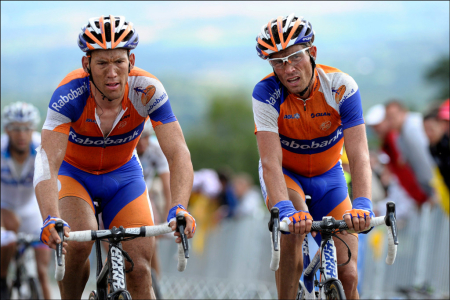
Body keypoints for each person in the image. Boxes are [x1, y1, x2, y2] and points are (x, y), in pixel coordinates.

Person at [34, 15, 195, 299]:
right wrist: (50, 217)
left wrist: (179, 206)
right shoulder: (69, 95)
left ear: (131, 61)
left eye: (118, 62)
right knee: (78, 244)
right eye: (102, 63)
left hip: (124, 176)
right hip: (74, 175)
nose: (112, 73)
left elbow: (178, 152)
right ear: (87, 65)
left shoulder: (147, 90)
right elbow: (47, 161)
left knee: (141, 269)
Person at [253, 14, 374, 299]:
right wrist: (284, 210)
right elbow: (270, 162)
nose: (288, 69)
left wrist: (363, 203)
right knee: (294, 228)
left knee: (349, 275)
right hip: (287, 176)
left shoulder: (340, 86)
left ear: (312, 53)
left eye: (295, 57)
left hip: (329, 178)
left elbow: (358, 154)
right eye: (277, 62)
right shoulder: (266, 92)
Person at [1, 102, 52, 299]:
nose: (21, 134)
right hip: (4, 210)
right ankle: (3, 282)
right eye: (15, 128)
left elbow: (53, 184)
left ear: (33, 129)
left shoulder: (42, 149)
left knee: (42, 273)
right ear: (7, 130)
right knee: (6, 244)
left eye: (26, 128)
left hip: (32, 212)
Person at [136, 121, 172, 280]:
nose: (142, 142)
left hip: (145, 193)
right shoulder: (125, 147)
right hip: (121, 191)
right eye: (139, 137)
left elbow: (167, 186)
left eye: (146, 137)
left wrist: (167, 218)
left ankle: (156, 286)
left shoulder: (156, 150)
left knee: (152, 244)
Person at [385, 100, 436, 203]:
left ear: (403, 112)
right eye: (388, 117)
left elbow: (425, 158)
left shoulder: (412, 128)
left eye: (393, 116)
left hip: (436, 184)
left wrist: (436, 188)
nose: (391, 120)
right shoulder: (400, 135)